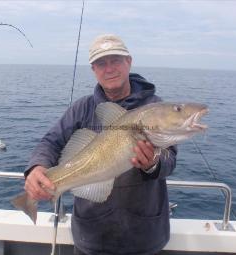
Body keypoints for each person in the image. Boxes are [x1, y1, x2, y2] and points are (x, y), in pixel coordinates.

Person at [24, 34, 177, 255]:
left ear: (129, 61)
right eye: (101, 63)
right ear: (94, 70)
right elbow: (51, 141)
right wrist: (37, 167)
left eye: (115, 60)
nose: (109, 68)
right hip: (92, 236)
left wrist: (153, 163)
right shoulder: (82, 108)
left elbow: (170, 159)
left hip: (143, 236)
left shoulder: (153, 108)